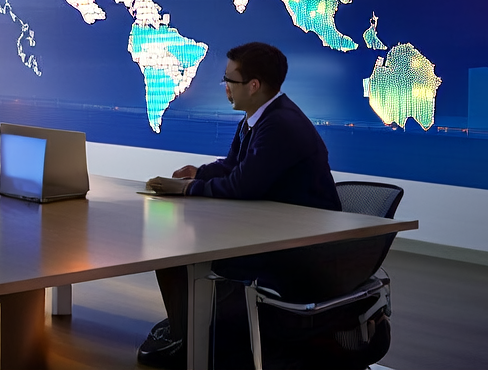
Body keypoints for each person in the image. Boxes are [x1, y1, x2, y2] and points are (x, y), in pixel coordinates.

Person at [138, 42, 342, 369]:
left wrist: (189, 189)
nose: (225, 88)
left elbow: (242, 185)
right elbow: (235, 165)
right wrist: (199, 173)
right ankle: (188, 325)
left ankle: (189, 333)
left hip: (299, 248)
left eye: (229, 81)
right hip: (274, 228)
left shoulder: (280, 125)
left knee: (178, 248)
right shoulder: (258, 117)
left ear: (254, 85)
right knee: (177, 243)